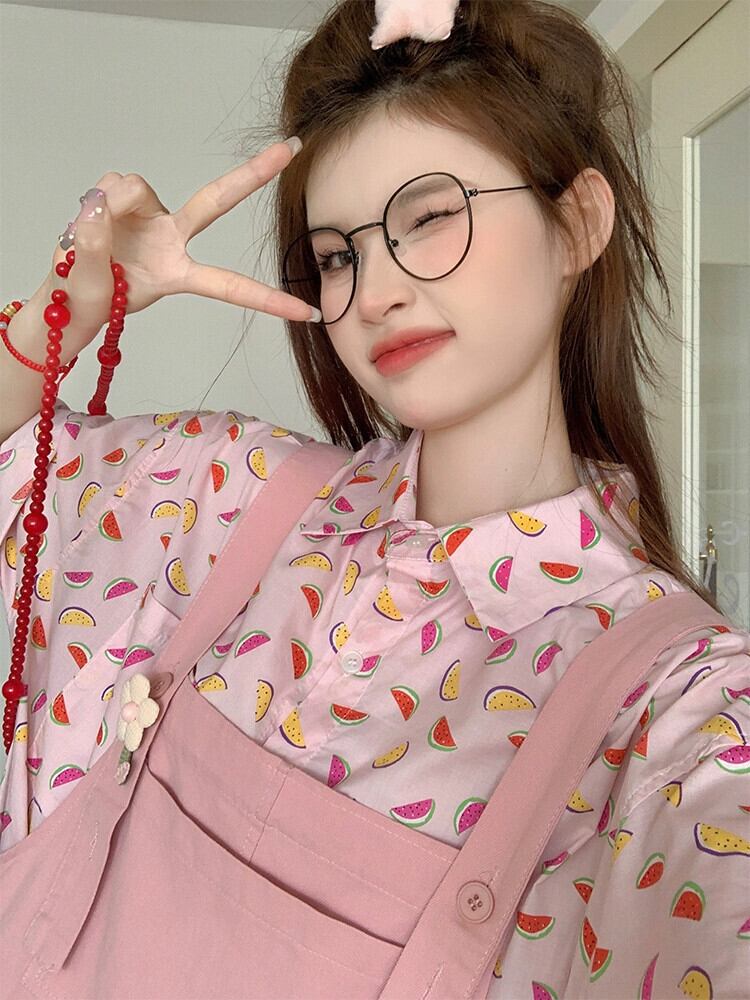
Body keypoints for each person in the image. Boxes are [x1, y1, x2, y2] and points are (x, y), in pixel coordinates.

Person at [1, 1, 748, 996]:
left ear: (577, 224)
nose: (377, 292)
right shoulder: (227, 492)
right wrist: (70, 303)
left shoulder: (678, 709)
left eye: (430, 219)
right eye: (339, 255)